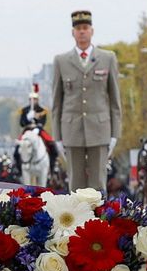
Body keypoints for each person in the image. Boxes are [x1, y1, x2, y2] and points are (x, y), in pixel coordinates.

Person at [50, 10, 122, 192]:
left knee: (98, 184)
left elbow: (115, 100)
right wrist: (57, 136)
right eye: (78, 28)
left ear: (92, 31)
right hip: (72, 130)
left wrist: (115, 134)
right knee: (76, 185)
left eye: (85, 28)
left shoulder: (107, 58)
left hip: (100, 129)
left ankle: (98, 220)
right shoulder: (61, 61)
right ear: (72, 33)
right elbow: (57, 103)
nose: (82, 32)